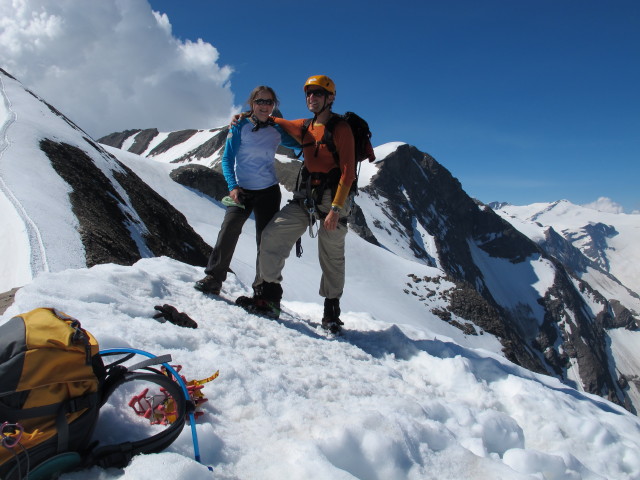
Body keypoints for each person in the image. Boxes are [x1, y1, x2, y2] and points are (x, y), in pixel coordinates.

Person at [236, 75, 355, 333]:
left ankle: (331, 311)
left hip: (333, 198)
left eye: (318, 94)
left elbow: (348, 172)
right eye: (309, 94)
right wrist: (245, 116)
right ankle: (270, 296)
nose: (311, 98)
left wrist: (335, 209)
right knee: (272, 235)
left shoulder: (341, 129)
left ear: (330, 98)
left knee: (331, 254)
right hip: (307, 196)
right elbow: (275, 119)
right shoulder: (305, 126)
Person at [195, 86, 298, 296]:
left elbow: (299, 141)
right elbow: (227, 158)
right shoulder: (239, 125)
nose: (265, 106)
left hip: (268, 191)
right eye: (260, 101)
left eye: (269, 102)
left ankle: (261, 288)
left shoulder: (276, 129)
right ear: (252, 103)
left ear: (273, 105)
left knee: (265, 240)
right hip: (242, 190)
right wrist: (232, 186)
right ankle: (214, 278)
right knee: (228, 230)